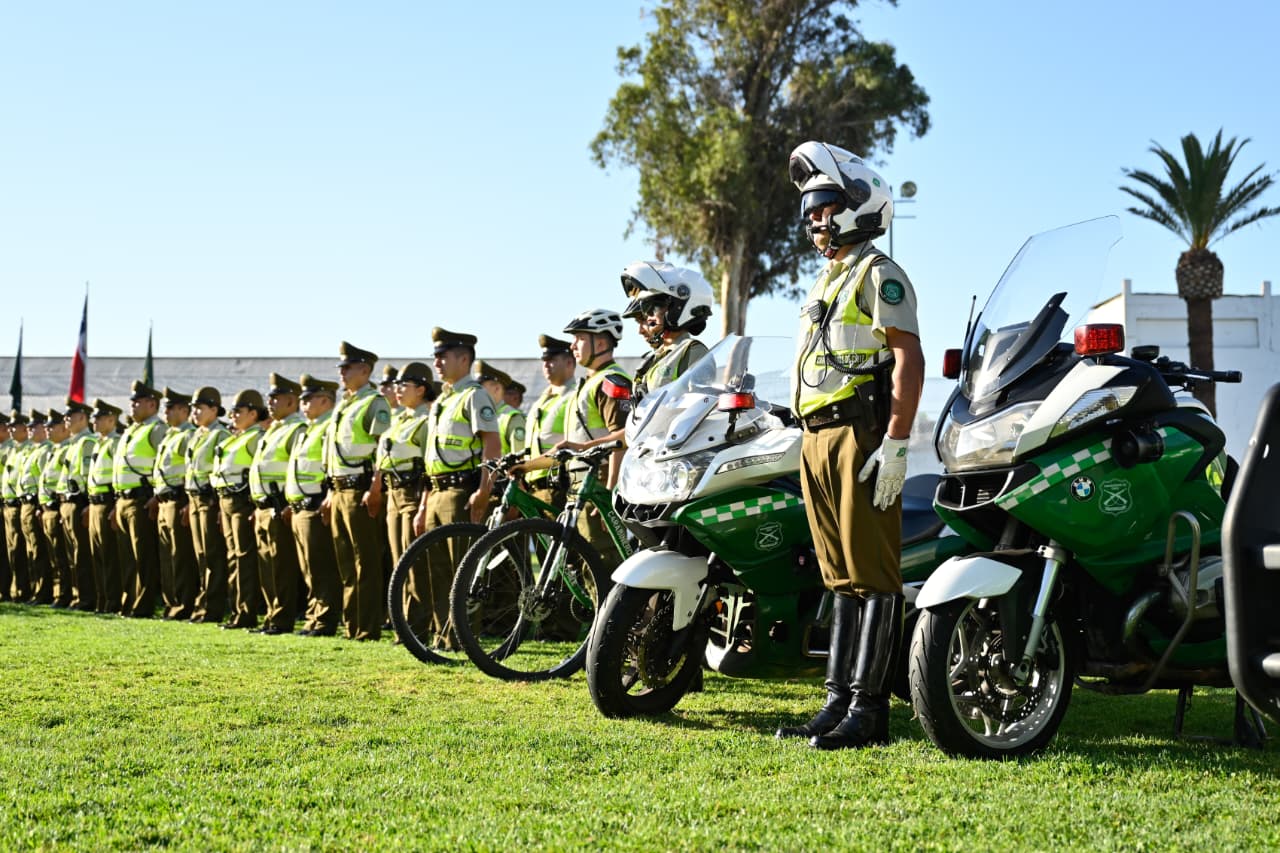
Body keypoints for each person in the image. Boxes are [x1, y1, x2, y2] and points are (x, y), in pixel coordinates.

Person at [775, 141, 924, 750]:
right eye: (809, 208)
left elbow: (908, 358)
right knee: (838, 577)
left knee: (872, 575)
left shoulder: (878, 274)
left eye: (824, 205)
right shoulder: (826, 281)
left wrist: (897, 443)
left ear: (860, 204)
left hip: (858, 435)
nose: (814, 218)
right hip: (815, 438)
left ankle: (869, 711)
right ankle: (837, 702)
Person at [411, 328, 501, 648]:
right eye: (435, 356)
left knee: (461, 569)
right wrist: (424, 504)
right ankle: (443, 634)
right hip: (436, 492)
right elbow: (431, 458)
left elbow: (492, 445)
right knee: (438, 571)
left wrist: (485, 490)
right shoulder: (442, 401)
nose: (436, 362)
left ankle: (463, 637)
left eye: (443, 356)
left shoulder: (474, 395)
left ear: (464, 359)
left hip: (460, 492)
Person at [323, 341, 392, 641]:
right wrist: (330, 492)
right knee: (346, 562)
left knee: (366, 561)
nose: (342, 372)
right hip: (339, 490)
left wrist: (376, 487)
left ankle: (367, 627)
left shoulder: (374, 402)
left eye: (347, 367)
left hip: (360, 489)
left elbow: (382, 450)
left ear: (364, 370)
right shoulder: (345, 404)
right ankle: (352, 625)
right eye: (341, 367)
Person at [249, 374, 308, 635]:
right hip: (262, 505)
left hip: (279, 504)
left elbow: (296, 468)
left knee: (281, 565)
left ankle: (282, 619)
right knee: (267, 565)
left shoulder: (297, 429)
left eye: (276, 398)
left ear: (292, 401)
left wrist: (287, 503)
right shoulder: (274, 430)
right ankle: (272, 616)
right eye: (269, 397)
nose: (270, 402)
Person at [286, 374, 341, 636]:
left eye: (309, 399)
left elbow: (330, 466)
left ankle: (325, 619)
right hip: (300, 506)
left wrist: (327, 496)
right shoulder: (309, 429)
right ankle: (313, 617)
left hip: (316, 504)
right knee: (308, 568)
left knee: (321, 568)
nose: (303, 404)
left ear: (325, 401)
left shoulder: (328, 426)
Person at [112, 381, 169, 617]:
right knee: (127, 558)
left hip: (141, 499)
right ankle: (129, 603)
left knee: (142, 557)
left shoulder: (156, 429)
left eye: (138, 402)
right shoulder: (132, 430)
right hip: (123, 499)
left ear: (152, 405)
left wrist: (156, 496)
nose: (132, 406)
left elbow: (163, 464)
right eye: (132, 402)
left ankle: (143, 606)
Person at [212, 389, 267, 629]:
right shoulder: (237, 437)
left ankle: (246, 612)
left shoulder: (256, 437)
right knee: (233, 557)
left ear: (253, 413)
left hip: (242, 501)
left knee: (244, 558)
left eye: (238, 411)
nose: (232, 415)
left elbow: (258, 472)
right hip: (226, 499)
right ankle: (236, 611)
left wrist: (255, 504)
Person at [619, 260, 714, 398]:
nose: (648, 317)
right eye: (646, 310)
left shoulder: (692, 352)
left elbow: (700, 404)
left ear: (677, 306)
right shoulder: (656, 357)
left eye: (652, 308)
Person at [376, 361, 435, 570]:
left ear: (420, 390)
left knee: (415, 566)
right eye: (396, 385)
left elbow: (430, 468)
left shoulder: (426, 421)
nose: (397, 390)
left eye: (403, 385)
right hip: (393, 493)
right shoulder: (399, 420)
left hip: (413, 493)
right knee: (398, 565)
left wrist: (424, 507)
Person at [151, 388, 197, 620]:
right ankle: (171, 604)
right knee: (167, 557)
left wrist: (188, 502)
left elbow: (191, 471)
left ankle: (183, 604)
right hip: (163, 500)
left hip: (178, 499)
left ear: (183, 410)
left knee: (181, 556)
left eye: (170, 408)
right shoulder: (171, 435)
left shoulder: (189, 435)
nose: (166, 412)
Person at [184, 387, 230, 623]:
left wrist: (216, 502)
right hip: (193, 498)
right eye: (193, 408)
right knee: (200, 555)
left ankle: (212, 608)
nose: (195, 412)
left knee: (212, 555)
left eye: (200, 408)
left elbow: (220, 470)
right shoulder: (198, 434)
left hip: (208, 499)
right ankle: (202, 604)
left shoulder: (219, 435)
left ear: (214, 409)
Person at [520, 334, 578, 510]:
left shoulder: (574, 396)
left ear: (569, 363)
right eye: (544, 360)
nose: (546, 365)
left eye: (552, 360)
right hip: (534, 487)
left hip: (558, 486)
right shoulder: (542, 400)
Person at [85, 400, 124, 613]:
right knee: (97, 556)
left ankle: (112, 602)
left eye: (99, 418)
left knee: (109, 556)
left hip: (107, 501)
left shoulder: (115, 442)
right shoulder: (99, 443)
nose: (95, 421)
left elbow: (117, 476)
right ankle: (102, 601)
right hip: (95, 502)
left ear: (111, 420)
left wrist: (116, 505)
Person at [58, 400, 98, 611]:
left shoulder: (87, 442)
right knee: (72, 555)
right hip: (68, 502)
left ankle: (86, 598)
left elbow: (88, 476)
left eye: (70, 416)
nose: (66, 420)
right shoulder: (74, 444)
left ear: (82, 418)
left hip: (79, 502)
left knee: (81, 555)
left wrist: (88, 504)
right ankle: (77, 596)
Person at [18, 410, 54, 604]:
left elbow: (43, 481)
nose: (30, 430)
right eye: (29, 427)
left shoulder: (46, 450)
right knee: (30, 550)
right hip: (25, 503)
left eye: (34, 427)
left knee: (39, 550)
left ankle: (43, 592)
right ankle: (34, 590)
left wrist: (41, 505)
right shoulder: (34, 450)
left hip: (34, 504)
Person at [2, 412, 31, 602]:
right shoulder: (14, 450)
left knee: (21, 551)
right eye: (9, 426)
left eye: (15, 426)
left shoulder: (26, 449)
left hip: (20, 505)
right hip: (8, 504)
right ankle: (13, 590)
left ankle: (23, 590)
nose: (11, 430)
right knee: (11, 550)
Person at [474, 359, 526, 456]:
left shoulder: (511, 418)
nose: (475, 392)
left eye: (480, 388)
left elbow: (520, 458)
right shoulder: (481, 416)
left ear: (496, 389)